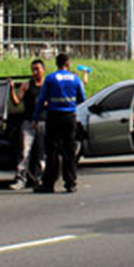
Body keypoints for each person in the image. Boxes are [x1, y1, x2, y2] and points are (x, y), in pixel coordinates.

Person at [33, 54, 87, 194]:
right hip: (69, 117)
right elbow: (82, 98)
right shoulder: (75, 79)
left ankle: (49, 183)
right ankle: (70, 183)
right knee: (69, 151)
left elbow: (41, 99)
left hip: (53, 117)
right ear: (68, 64)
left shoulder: (50, 78)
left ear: (56, 64)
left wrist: (35, 118)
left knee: (51, 151)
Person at [9, 59, 47, 190]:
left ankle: (41, 178)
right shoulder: (26, 85)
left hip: (43, 121)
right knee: (24, 152)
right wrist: (11, 89)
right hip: (29, 122)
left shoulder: (48, 85)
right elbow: (16, 102)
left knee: (42, 152)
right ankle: (21, 179)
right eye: (33, 70)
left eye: (37, 69)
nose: (35, 72)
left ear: (44, 70)